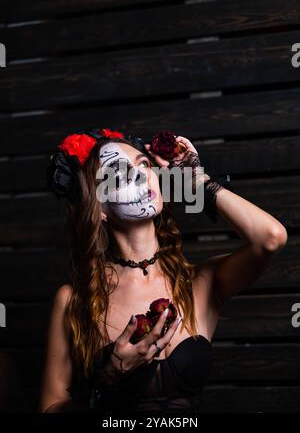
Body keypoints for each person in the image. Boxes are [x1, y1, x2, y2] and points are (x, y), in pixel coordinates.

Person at [40, 128, 288, 415]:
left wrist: (198, 180)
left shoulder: (200, 282)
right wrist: (105, 380)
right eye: (118, 173)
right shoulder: (74, 299)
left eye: (144, 164)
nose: (140, 175)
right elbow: (49, 407)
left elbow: (271, 237)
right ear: (99, 209)